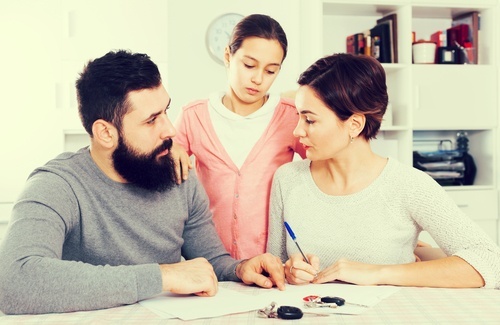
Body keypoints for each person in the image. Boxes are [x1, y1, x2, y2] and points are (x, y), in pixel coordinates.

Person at [0, 50, 286, 315]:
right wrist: (163, 276)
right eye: (151, 121)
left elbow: (212, 261)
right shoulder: (57, 185)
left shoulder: (177, 175)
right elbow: (16, 282)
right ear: (105, 133)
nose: (170, 129)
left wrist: (241, 269)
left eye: (166, 112)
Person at [267, 53, 500, 289]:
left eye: (309, 120)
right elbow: (274, 267)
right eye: (299, 117)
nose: (297, 131)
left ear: (355, 125)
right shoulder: (287, 180)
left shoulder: (409, 186)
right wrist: (288, 271)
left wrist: (379, 273)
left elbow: (491, 262)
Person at [174, 14, 306, 260]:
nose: (258, 79)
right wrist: (170, 149)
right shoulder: (194, 116)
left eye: (270, 71)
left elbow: (326, 165)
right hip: (208, 260)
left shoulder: (291, 117)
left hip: (272, 262)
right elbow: (163, 172)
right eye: (249, 65)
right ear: (228, 56)